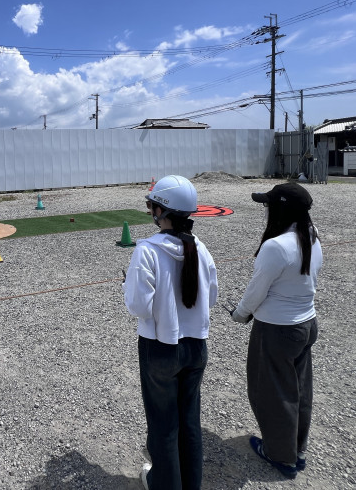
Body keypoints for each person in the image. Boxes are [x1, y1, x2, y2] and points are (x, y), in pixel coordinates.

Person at [123, 175, 219, 490]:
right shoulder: (201, 248)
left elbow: (138, 306)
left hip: (160, 347)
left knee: (163, 424)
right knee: (189, 420)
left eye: (151, 204)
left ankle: (163, 482)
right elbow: (211, 297)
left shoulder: (147, 250)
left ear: (160, 211)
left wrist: (126, 286)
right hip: (197, 346)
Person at [228, 182, 322, 480]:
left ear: (280, 210)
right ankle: (297, 448)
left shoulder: (276, 246)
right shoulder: (311, 235)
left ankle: (281, 455)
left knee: (272, 393)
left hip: (277, 329)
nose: (266, 210)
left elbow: (256, 290)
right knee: (299, 389)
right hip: (306, 322)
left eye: (268, 205)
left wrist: (240, 314)